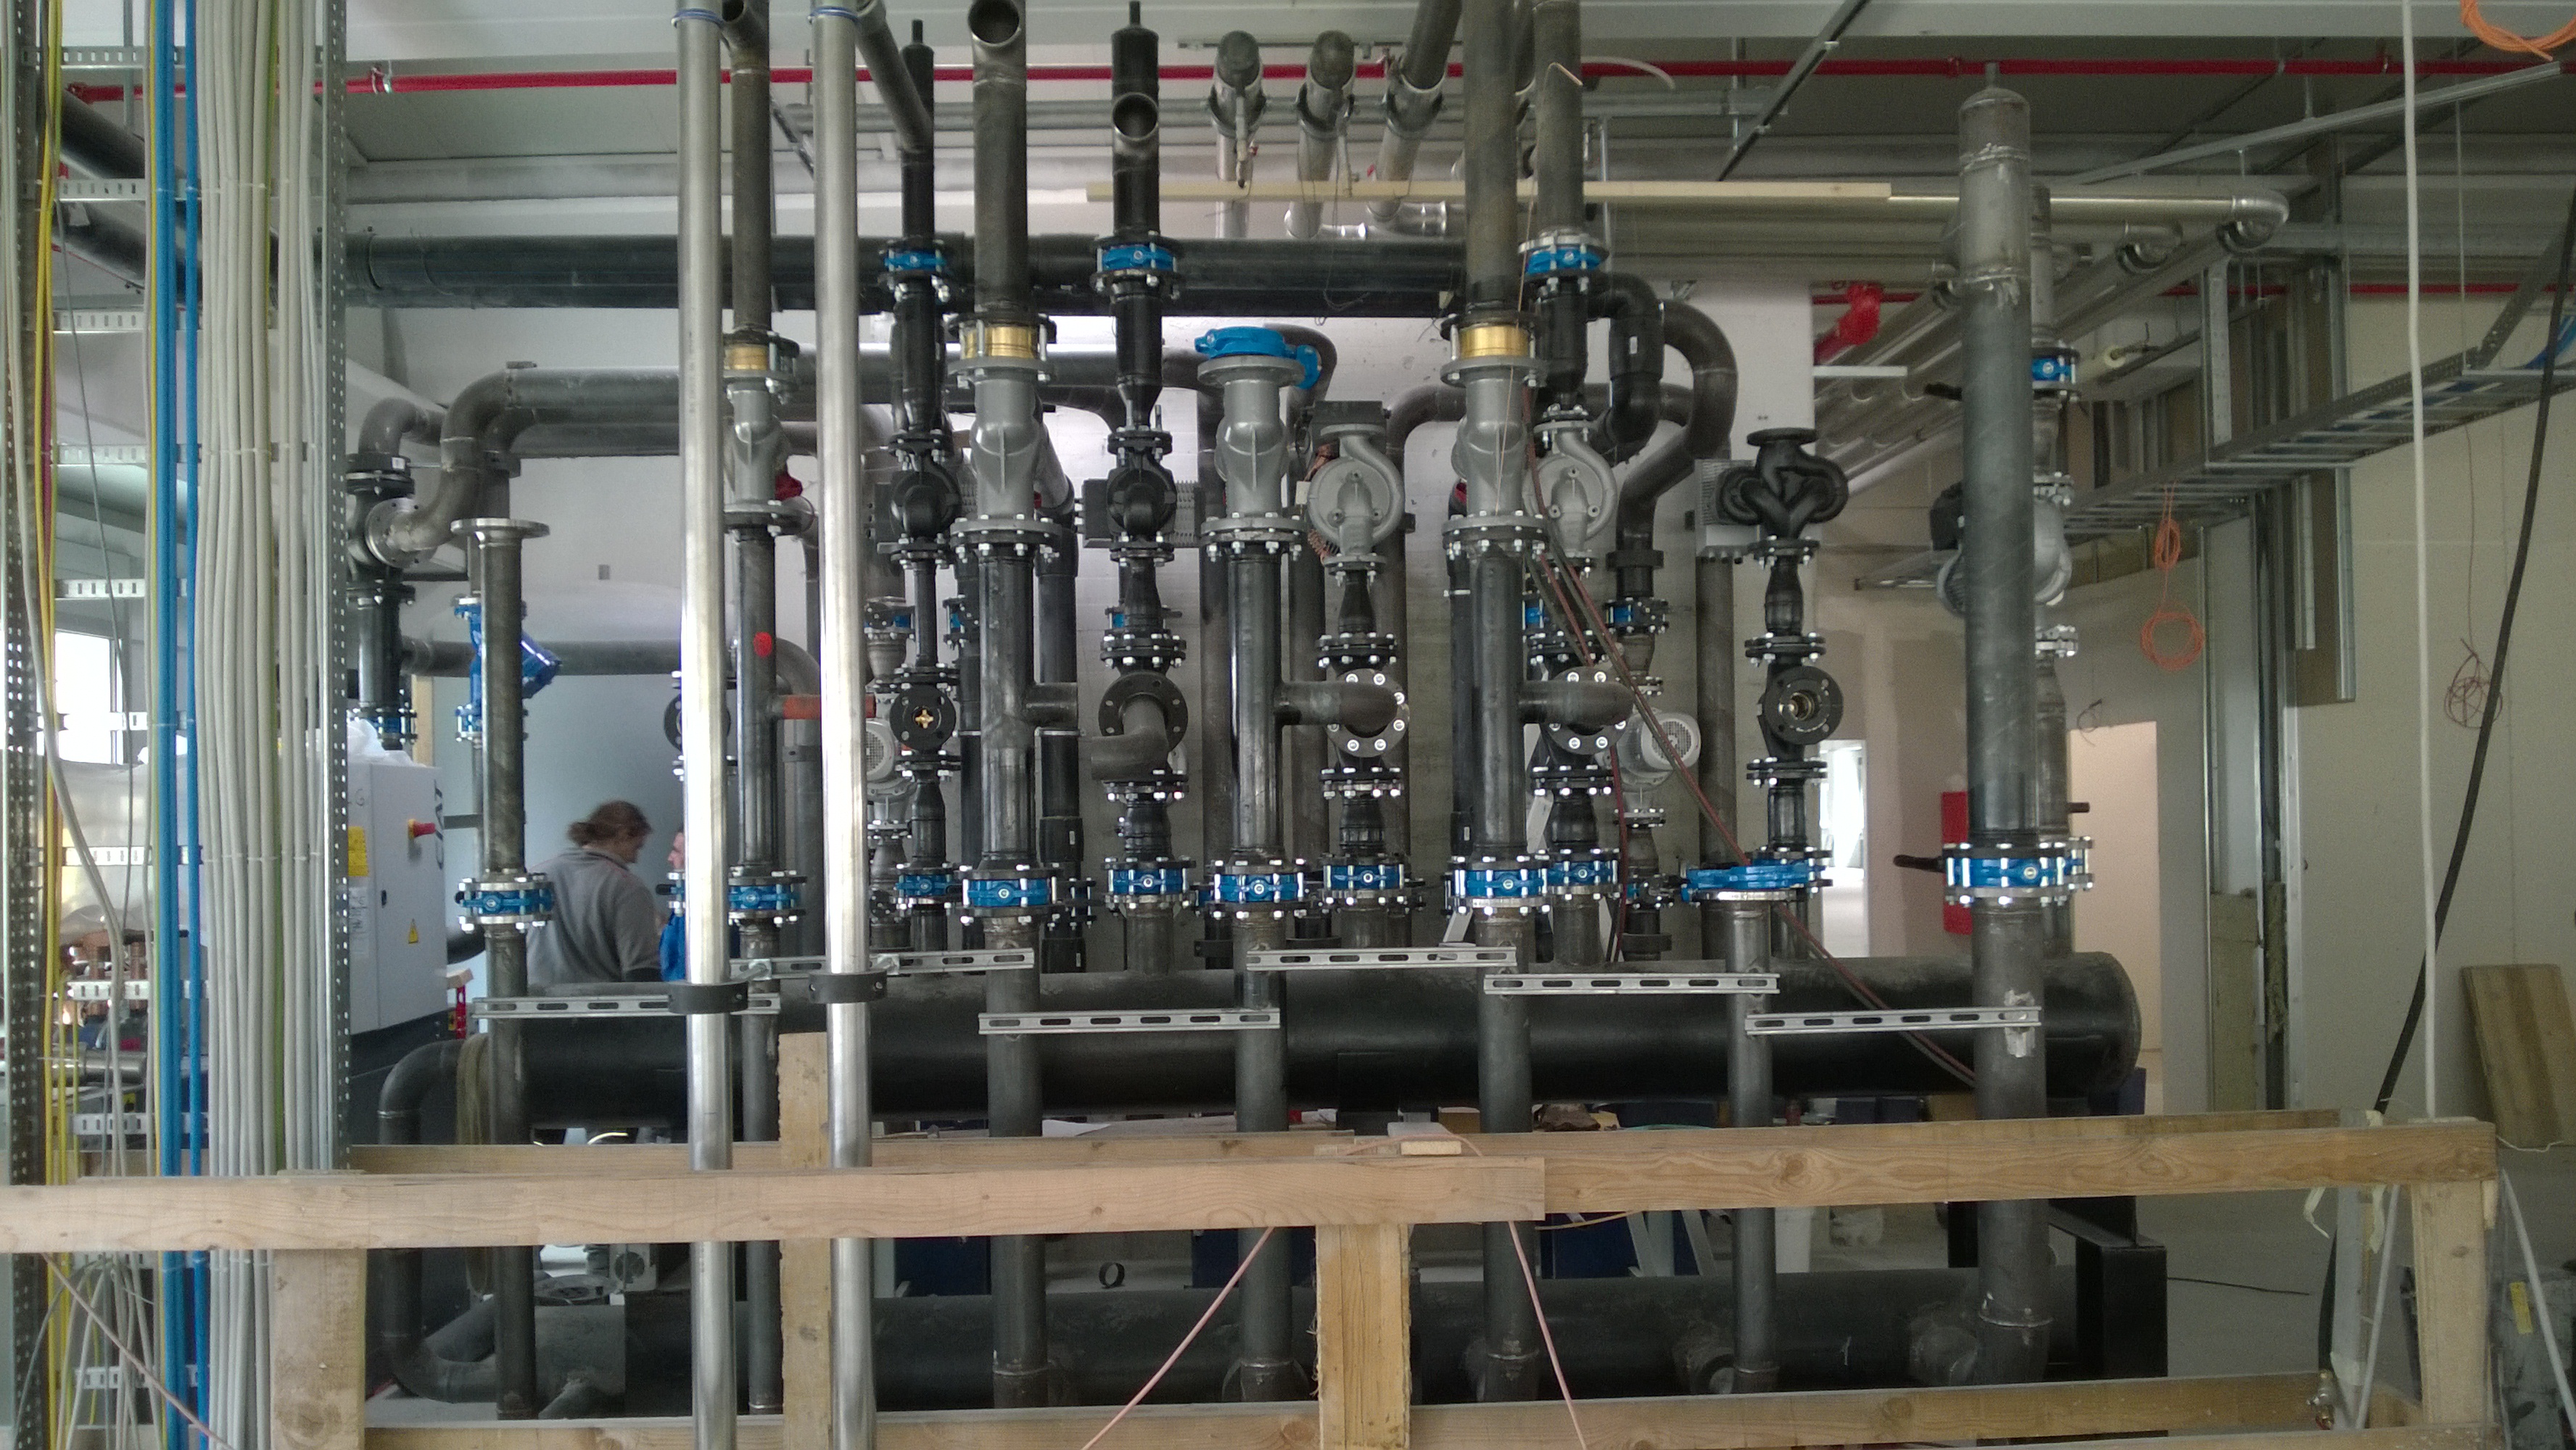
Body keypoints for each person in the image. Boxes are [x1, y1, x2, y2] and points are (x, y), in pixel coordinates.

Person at [526, 801, 665, 987]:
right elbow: (641, 971)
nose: (635, 859)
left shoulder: (537, 876)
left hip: (533, 1001)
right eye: (637, 847)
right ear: (623, 835)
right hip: (599, 1002)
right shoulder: (628, 887)